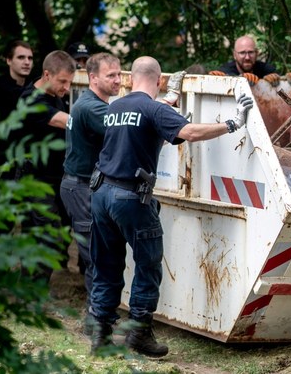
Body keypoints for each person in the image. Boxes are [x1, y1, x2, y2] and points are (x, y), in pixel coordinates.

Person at [89, 56, 254, 357]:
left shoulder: (115, 107)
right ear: (160, 80)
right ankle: (138, 333)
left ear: (130, 78)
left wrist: (169, 105)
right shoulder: (151, 109)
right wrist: (233, 123)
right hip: (129, 197)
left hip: (101, 194)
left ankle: (100, 333)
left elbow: (141, 134)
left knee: (107, 264)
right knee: (148, 264)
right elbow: (189, 132)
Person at [60, 52, 122, 305]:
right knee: (96, 257)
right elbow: (125, 131)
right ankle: (97, 320)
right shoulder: (93, 107)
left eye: (119, 74)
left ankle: (100, 316)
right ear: (93, 78)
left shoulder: (91, 103)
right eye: (111, 75)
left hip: (84, 186)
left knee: (98, 255)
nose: (118, 80)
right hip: (82, 188)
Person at [15, 50, 76, 281]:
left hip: (54, 179)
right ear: (47, 74)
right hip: (34, 180)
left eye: (69, 82)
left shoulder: (55, 96)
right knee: (49, 236)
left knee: (37, 236)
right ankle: (34, 296)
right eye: (62, 81)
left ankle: (27, 291)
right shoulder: (30, 99)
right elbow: (66, 121)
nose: (66, 88)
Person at [0, 41, 35, 169]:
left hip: (23, 163)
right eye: (21, 57)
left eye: (30, 58)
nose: (27, 62)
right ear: (9, 60)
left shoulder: (31, 88)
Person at [209, 34, 291, 86]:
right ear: (234, 55)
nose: (247, 57)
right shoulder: (226, 70)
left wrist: (288, 79)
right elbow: (222, 77)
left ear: (256, 53)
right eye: (242, 53)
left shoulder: (265, 68)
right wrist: (242, 78)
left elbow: (279, 79)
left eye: (251, 52)